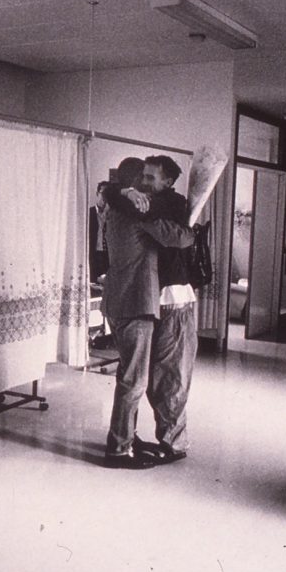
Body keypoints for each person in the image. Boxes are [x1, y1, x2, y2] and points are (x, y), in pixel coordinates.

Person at [100, 157, 194, 469]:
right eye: (144, 180)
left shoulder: (114, 210)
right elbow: (177, 237)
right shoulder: (138, 215)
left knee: (129, 375)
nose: (146, 186)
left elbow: (110, 191)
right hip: (136, 304)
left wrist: (120, 193)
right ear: (135, 186)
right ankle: (119, 450)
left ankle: (125, 437)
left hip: (118, 302)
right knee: (135, 381)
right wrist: (195, 232)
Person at [89, 181, 111, 281]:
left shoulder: (113, 215)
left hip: (108, 255)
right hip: (93, 254)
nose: (105, 197)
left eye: (108, 194)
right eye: (103, 193)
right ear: (97, 193)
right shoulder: (89, 213)